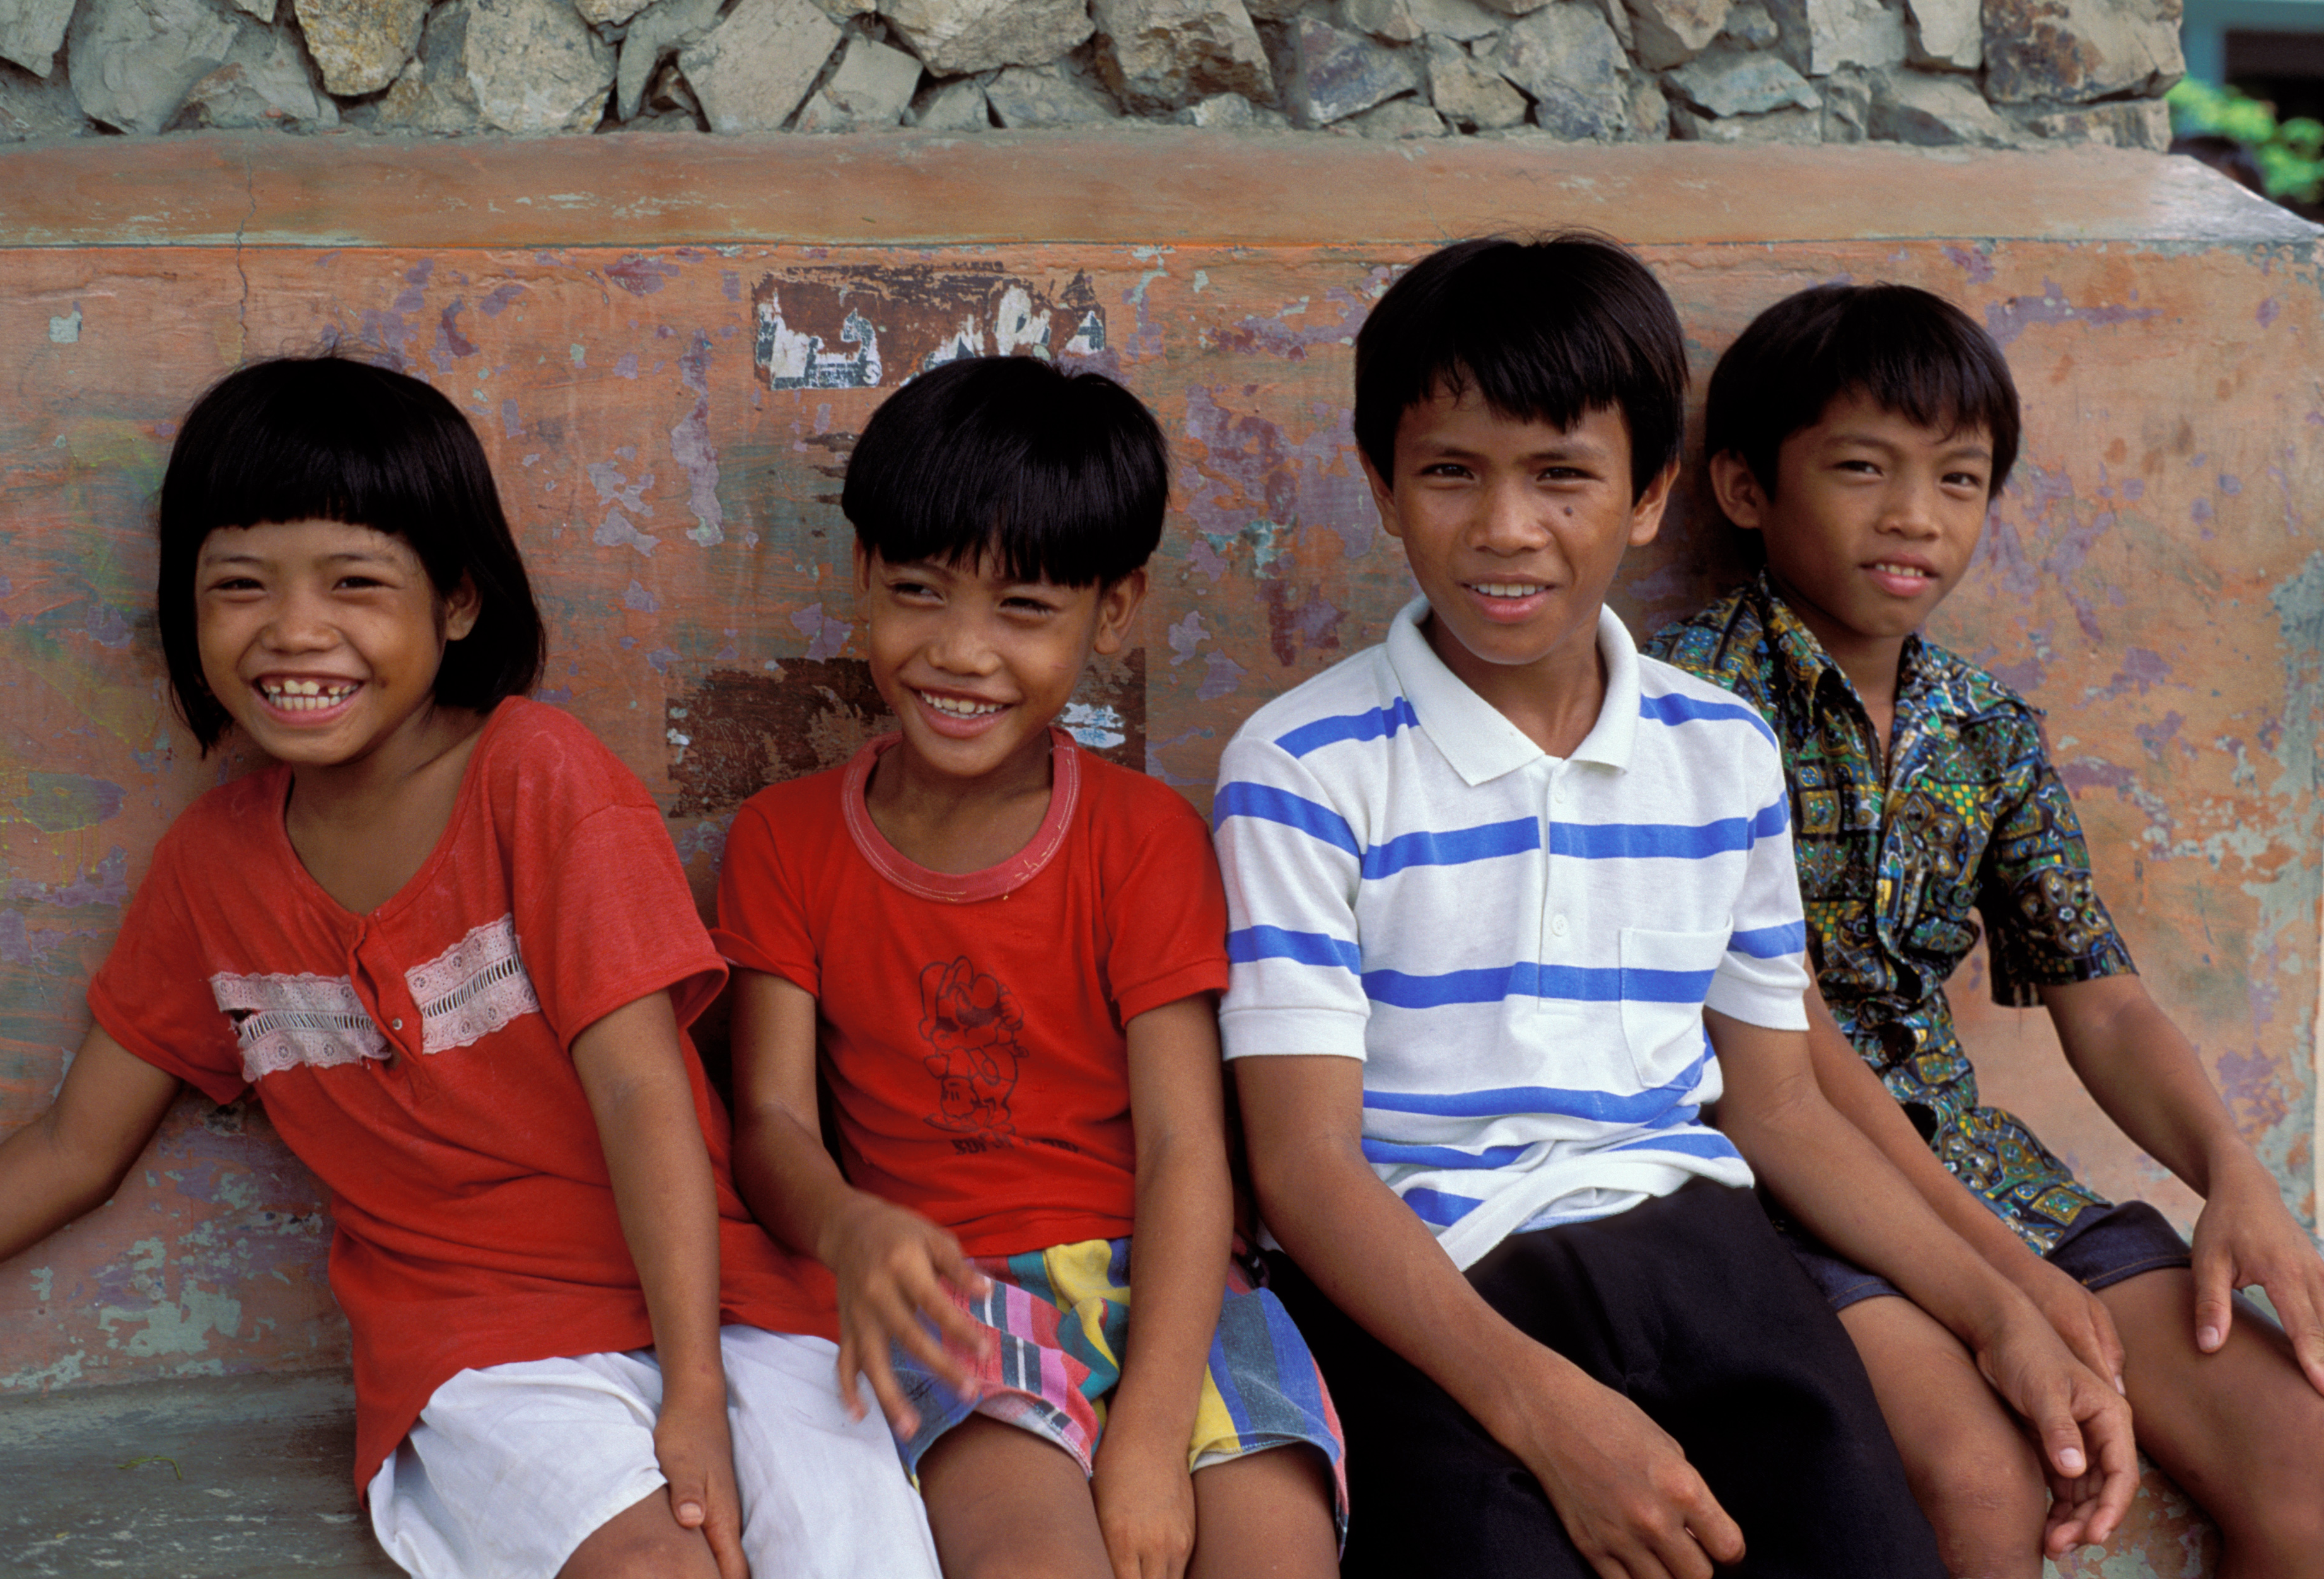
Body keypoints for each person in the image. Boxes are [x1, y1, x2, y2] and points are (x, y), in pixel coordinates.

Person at [0, 356, 941, 1579]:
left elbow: (640, 1091)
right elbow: (75, 1145)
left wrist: (696, 1389)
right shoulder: (209, 873)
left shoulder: (537, 781)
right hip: (485, 1344)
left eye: (354, 583)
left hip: (727, 1306)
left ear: (455, 602)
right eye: (240, 585)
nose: (294, 631)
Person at [1213, 235, 2139, 1579]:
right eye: (1449, 473)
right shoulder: (1301, 765)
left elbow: (1776, 1104)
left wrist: (1996, 1306)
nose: (1505, 528)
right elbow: (1303, 1168)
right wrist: (1543, 1408)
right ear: (1381, 485)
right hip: (1429, 1276)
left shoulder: (1716, 748)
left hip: (1702, 1254)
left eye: (1562, 476)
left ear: (1647, 494)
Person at [1646, 281, 2324, 1578]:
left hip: (1984, 1171)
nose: (1915, 515)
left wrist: (2229, 1171)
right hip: (1778, 1193)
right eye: (1861, 469)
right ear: (1742, 489)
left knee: (2299, 1467)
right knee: (1989, 1479)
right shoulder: (1682, 705)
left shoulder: (1979, 725)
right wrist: (1992, 1283)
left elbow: (2102, 997)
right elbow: (1769, 1050)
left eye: (1957, 480)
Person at [714, 354, 1345, 1579]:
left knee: (1272, 1553)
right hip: (949, 1295)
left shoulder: (1141, 838)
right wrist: (847, 1227)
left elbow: (1179, 1151)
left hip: (1175, 1285)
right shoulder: (782, 843)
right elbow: (771, 1118)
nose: (959, 651)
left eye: (1022, 609)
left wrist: (1152, 1435)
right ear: (860, 580)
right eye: (917, 591)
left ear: (1114, 612)